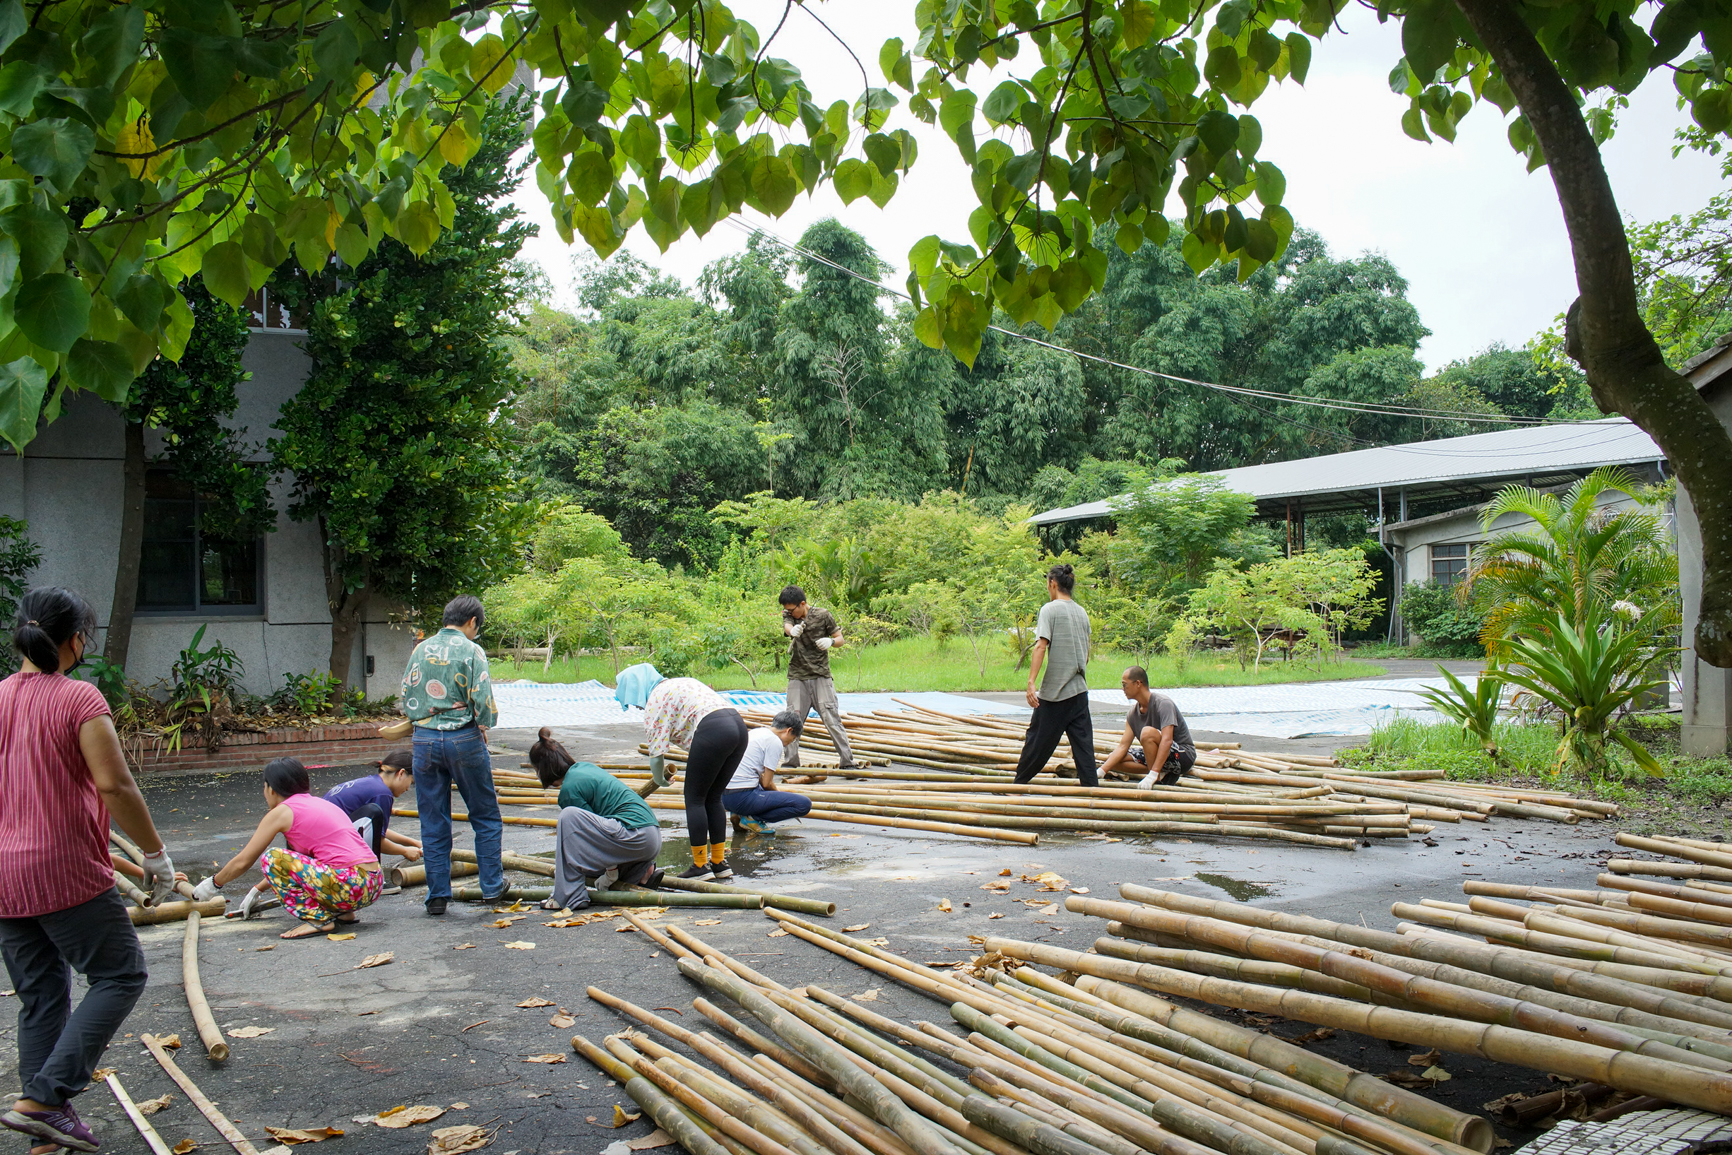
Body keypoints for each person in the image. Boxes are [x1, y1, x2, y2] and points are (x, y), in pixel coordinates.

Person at [0, 588, 177, 1155]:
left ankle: (43, 1131)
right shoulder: (79, 699)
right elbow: (114, 784)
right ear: (76, 639)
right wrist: (153, 853)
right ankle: (46, 1098)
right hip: (63, 868)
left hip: (5, 875)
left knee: (43, 995)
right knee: (121, 975)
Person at [193, 758, 384, 938]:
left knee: (273, 858)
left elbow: (244, 861)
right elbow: (303, 867)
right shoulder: (320, 803)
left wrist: (213, 884)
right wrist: (256, 890)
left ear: (272, 789)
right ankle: (344, 913)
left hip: (350, 884)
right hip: (372, 884)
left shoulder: (282, 812)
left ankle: (317, 920)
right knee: (310, 860)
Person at [400, 595, 503, 916]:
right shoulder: (472, 651)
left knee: (433, 819)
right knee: (484, 815)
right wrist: (484, 725)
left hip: (425, 741)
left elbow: (407, 693)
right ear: (472, 622)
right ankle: (491, 888)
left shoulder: (420, 649)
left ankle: (437, 895)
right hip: (464, 740)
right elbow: (483, 700)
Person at [615, 663, 748, 881]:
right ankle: (718, 863)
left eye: (634, 701)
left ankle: (700, 865)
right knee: (713, 798)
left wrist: (660, 779)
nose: (638, 707)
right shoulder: (680, 682)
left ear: (637, 689)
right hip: (738, 727)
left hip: (714, 729)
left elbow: (656, 755)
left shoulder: (656, 699)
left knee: (694, 798)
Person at [527, 728, 664, 909]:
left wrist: (610, 873)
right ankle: (641, 873)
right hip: (650, 837)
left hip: (633, 836)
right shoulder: (585, 768)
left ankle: (569, 897)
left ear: (542, 769)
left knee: (568, 819)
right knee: (584, 850)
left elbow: (587, 839)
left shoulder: (569, 790)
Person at [1014, 563, 1099, 788]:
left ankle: (1017, 787)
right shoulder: (1082, 612)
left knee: (1037, 741)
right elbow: (1087, 653)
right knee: (1083, 747)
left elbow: (1041, 646)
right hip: (1080, 690)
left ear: (1053, 583)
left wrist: (1031, 681)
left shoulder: (1049, 609)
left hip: (1056, 692)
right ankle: (1093, 793)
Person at [778, 585, 858, 784]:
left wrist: (831, 642)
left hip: (821, 675)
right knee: (791, 721)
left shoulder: (823, 615)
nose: (789, 612)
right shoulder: (789, 615)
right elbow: (787, 627)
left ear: (802, 604)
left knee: (831, 718)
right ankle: (790, 764)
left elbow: (840, 638)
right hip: (797, 676)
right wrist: (792, 629)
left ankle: (847, 762)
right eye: (787, 610)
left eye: (792, 609)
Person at [1097, 667, 1197, 787]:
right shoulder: (1132, 714)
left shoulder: (1163, 703)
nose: (1122, 689)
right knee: (1113, 759)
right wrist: (1101, 771)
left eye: (1125, 685)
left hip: (1182, 755)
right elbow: (1123, 746)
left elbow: (1167, 740)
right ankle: (1161, 773)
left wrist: (1153, 774)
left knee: (1147, 732)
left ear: (1138, 683)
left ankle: (1155, 775)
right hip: (1158, 758)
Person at [324, 750, 424, 862]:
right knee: (370, 856)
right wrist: (404, 850)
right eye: (411, 782)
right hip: (329, 842)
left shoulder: (373, 783)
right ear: (401, 773)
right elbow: (377, 841)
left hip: (322, 834)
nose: (407, 788)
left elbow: (376, 830)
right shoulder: (382, 793)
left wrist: (414, 843)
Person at [724, 711, 812, 835]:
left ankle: (739, 814)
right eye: (793, 739)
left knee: (760, 790)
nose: (790, 743)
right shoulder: (774, 741)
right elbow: (767, 783)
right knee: (803, 804)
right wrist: (780, 798)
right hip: (740, 797)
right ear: (788, 730)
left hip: (723, 796)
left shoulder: (756, 732)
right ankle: (752, 819)